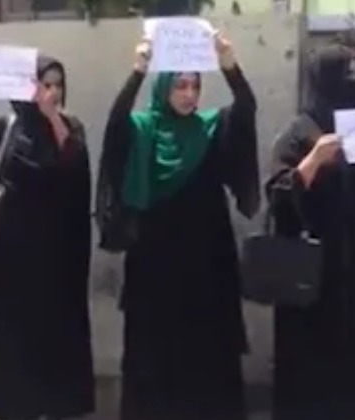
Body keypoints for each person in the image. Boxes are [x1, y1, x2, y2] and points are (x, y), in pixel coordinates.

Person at [95, 33, 260, 420]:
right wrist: (137, 71)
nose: (189, 95)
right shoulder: (142, 131)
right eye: (180, 85)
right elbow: (115, 125)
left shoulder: (210, 128)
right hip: (155, 270)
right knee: (154, 359)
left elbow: (246, 107)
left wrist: (229, 64)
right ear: (164, 87)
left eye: (195, 86)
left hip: (208, 269)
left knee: (209, 360)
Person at [0, 55, 95, 420]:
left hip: (58, 261)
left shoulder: (71, 127)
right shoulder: (7, 128)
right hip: (14, 259)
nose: (52, 92)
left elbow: (72, 162)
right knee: (14, 345)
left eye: (58, 85)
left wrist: (52, 115)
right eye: (45, 84)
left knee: (56, 343)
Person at [266, 38, 355, 420]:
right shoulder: (298, 132)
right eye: (343, 80)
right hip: (312, 278)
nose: (352, 89)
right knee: (309, 373)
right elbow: (277, 197)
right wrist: (312, 161)